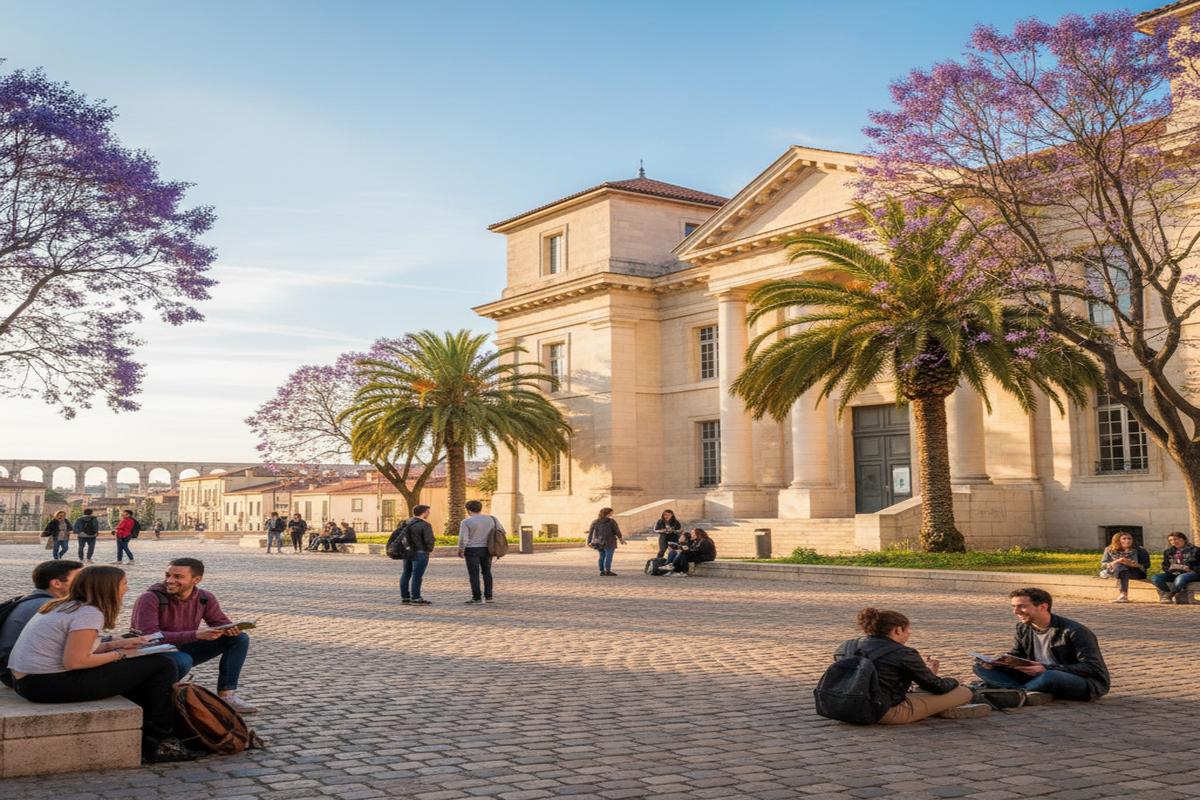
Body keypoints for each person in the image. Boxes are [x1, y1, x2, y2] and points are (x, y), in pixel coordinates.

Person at [7, 565, 196, 763]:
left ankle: (148, 734)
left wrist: (119, 644)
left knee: (147, 671)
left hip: (27, 681)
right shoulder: (89, 613)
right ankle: (162, 740)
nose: (127, 589)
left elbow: (78, 647)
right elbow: (75, 661)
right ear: (108, 588)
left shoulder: (63, 604)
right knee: (162, 665)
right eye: (124, 584)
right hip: (46, 684)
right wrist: (121, 654)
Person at [130, 557, 256, 714]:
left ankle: (227, 696)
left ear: (197, 580)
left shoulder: (205, 598)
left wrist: (230, 629)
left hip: (182, 647)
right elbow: (149, 636)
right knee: (183, 660)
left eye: (178, 577)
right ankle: (159, 698)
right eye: (167, 575)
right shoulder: (150, 598)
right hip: (153, 652)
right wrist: (196, 634)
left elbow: (219, 622)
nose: (169, 580)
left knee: (239, 639)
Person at [834, 607, 974, 724]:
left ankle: (936, 707)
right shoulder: (902, 652)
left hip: (843, 706)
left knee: (923, 693)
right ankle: (942, 708)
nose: (909, 633)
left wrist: (928, 673)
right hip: (881, 711)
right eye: (907, 630)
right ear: (897, 630)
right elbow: (936, 686)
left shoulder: (848, 646)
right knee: (963, 692)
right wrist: (955, 681)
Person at [973, 587, 1110, 701]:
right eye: (1014, 607)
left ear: (1043, 606)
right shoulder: (1023, 627)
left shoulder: (1075, 631)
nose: (1016, 612)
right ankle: (1025, 692)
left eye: (1022, 607)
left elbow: (1092, 667)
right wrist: (998, 662)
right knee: (980, 667)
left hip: (1082, 682)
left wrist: (1046, 668)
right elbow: (1017, 653)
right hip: (1035, 675)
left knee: (1051, 675)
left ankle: (1015, 692)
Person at [0, 559, 83, 686]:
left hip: (11, 669)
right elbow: (74, 649)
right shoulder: (48, 607)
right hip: (22, 674)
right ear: (56, 583)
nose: (85, 583)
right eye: (80, 579)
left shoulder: (30, 600)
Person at [458, 500, 503, 605]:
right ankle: (489, 596)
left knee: (474, 574)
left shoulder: (466, 522)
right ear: (480, 508)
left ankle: (476, 597)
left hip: (472, 550)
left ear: (468, 510)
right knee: (487, 572)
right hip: (488, 549)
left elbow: (463, 538)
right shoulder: (492, 519)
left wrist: (461, 549)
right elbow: (501, 530)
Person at [1150, 531, 1199, 605]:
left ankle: (1170, 595)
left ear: (1184, 539)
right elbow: (1165, 565)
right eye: (1171, 540)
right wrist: (1169, 569)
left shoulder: (1196, 550)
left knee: (1181, 578)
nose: (1174, 542)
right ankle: (1166, 594)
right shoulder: (1168, 551)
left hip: (1192, 573)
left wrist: (1188, 568)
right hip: (1174, 573)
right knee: (1155, 578)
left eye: (1176, 539)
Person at [1100, 531, 1150, 602]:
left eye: (1130, 539)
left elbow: (1147, 565)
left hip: (1137, 572)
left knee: (1121, 567)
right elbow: (1103, 563)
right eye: (1124, 538)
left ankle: (1123, 594)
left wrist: (1135, 565)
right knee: (1120, 566)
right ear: (1117, 540)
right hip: (1118, 570)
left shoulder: (1140, 550)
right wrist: (1116, 562)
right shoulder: (1109, 549)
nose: (1127, 540)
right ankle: (1123, 595)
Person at [400, 505, 436, 605]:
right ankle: (416, 597)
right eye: (428, 512)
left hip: (407, 552)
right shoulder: (425, 525)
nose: (428, 513)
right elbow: (429, 540)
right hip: (420, 552)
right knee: (417, 575)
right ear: (423, 513)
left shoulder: (405, 523)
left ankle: (405, 597)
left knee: (406, 573)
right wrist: (429, 549)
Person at [587, 507, 624, 576]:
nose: (612, 513)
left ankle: (602, 571)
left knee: (602, 556)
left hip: (598, 542)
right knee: (608, 556)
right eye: (612, 512)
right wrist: (621, 539)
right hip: (609, 541)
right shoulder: (611, 521)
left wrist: (589, 542)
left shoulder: (595, 521)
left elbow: (590, 533)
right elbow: (617, 531)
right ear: (608, 513)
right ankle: (608, 571)